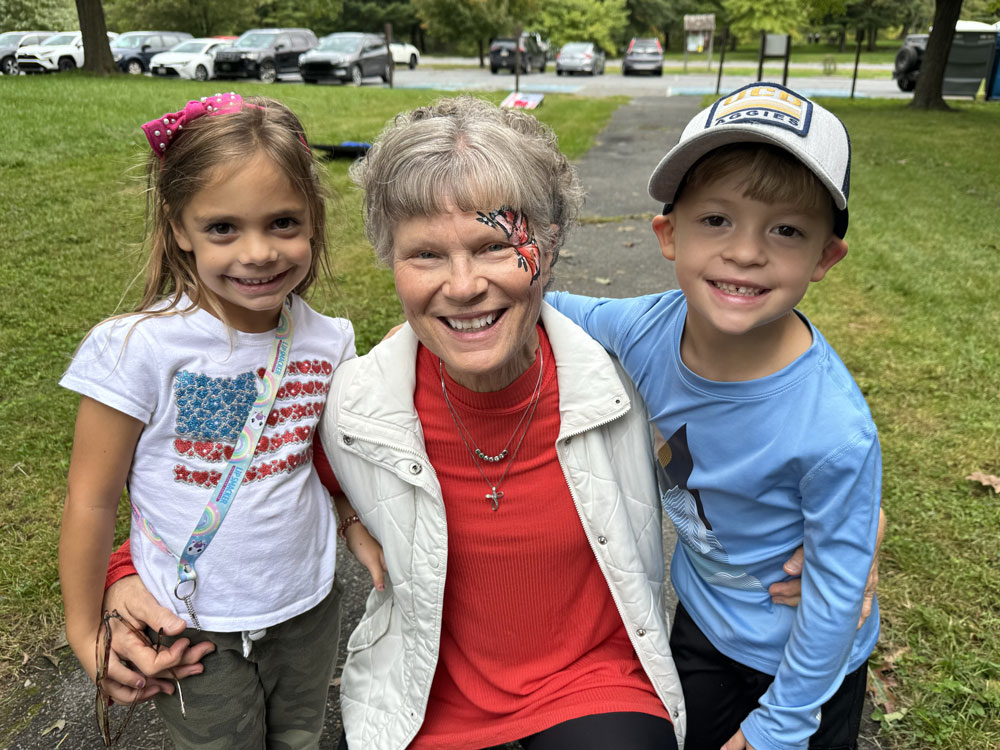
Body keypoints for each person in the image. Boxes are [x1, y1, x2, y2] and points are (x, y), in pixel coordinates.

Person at [99, 94, 875, 749]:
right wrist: (128, 570)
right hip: (430, 692)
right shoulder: (358, 398)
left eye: (495, 246)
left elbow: (766, 418)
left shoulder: (619, 371)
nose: (464, 285)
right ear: (389, 260)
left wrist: (848, 543)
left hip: (593, 685)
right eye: (426, 256)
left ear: (549, 247)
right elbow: (247, 472)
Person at [547, 82, 881, 750]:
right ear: (669, 234)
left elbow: (836, 599)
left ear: (825, 256)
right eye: (717, 220)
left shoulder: (833, 431)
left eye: (786, 230)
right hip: (701, 623)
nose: (746, 251)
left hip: (807, 668)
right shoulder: (645, 327)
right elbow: (550, 307)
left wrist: (780, 725)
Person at [59, 94, 358, 749]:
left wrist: (355, 522)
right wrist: (84, 632)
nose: (259, 252)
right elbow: (90, 499)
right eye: (223, 227)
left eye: (283, 222)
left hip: (308, 607)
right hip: (189, 625)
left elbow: (329, 460)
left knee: (301, 737)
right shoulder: (137, 348)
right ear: (179, 228)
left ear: (313, 219)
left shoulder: (330, 340)